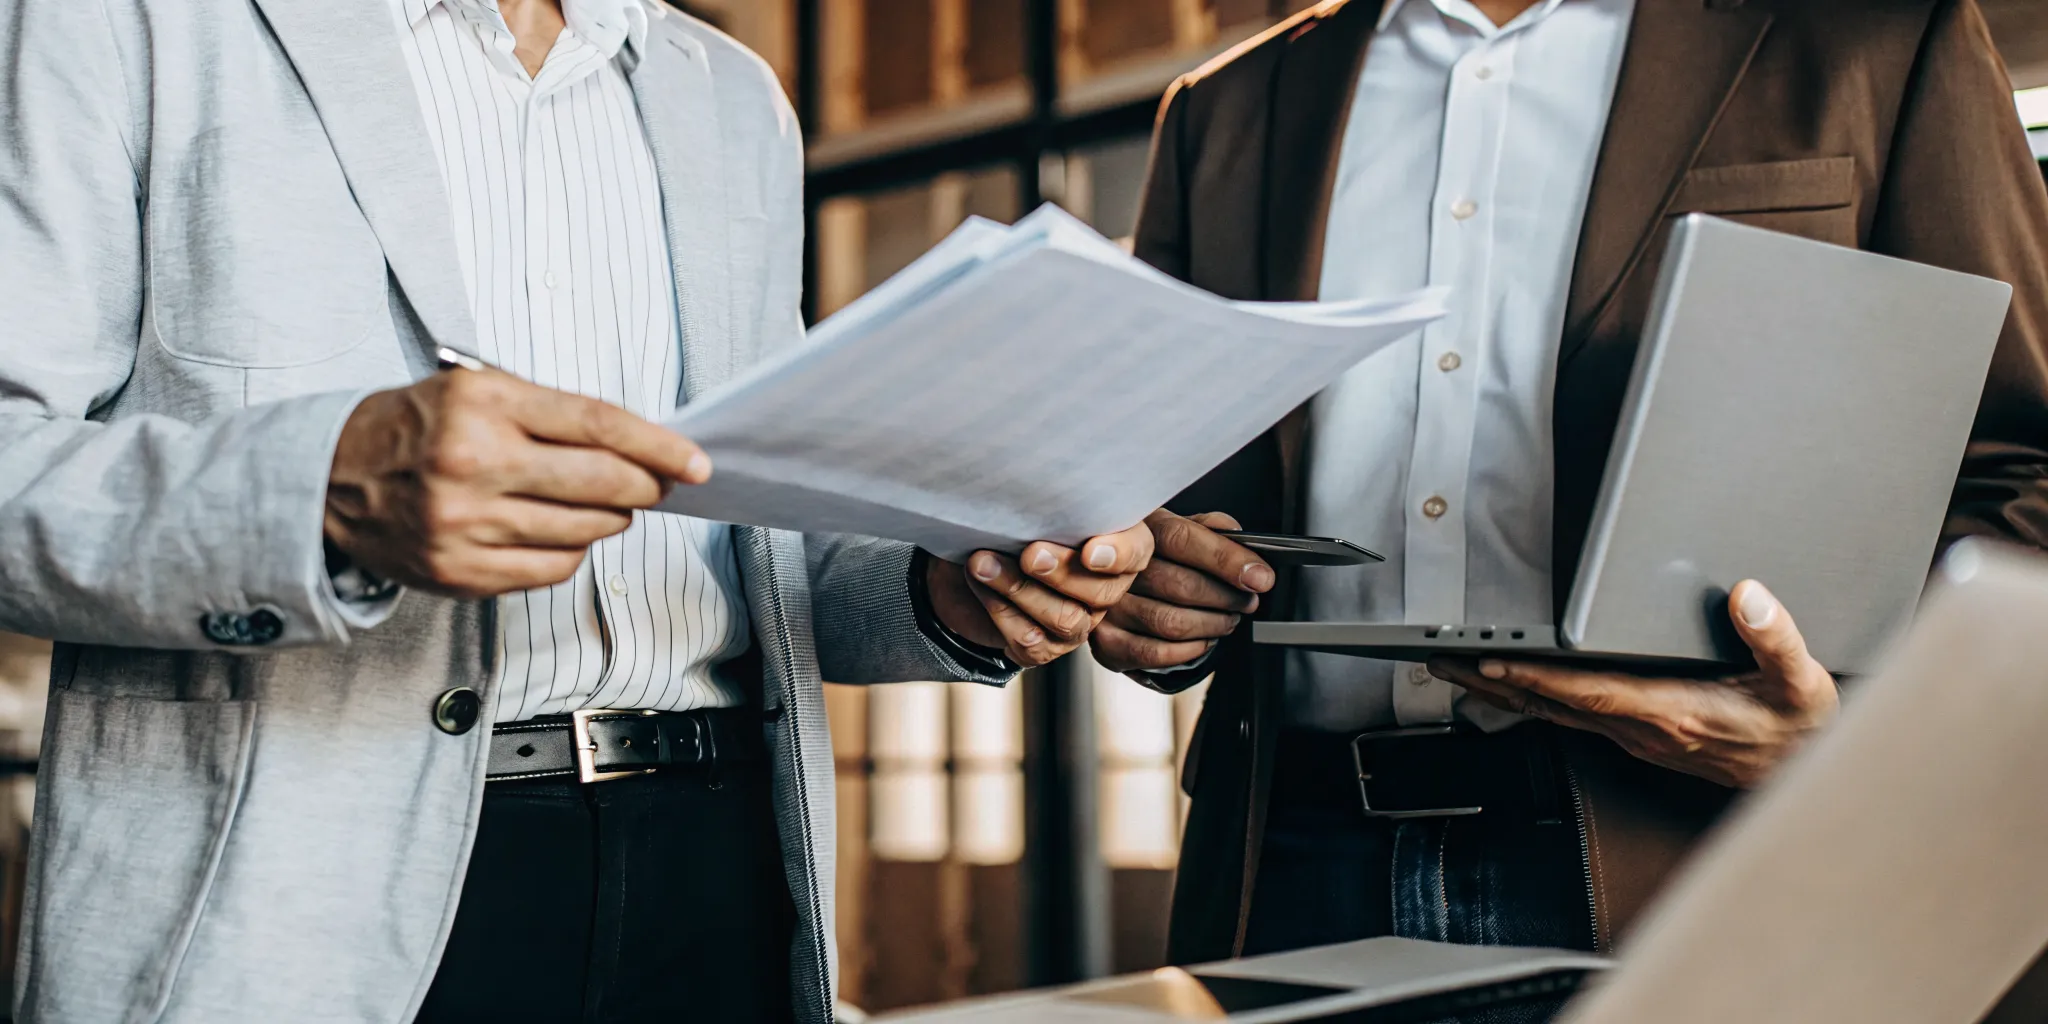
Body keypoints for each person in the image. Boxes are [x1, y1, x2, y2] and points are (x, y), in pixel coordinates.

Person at [0, 0, 1152, 1020]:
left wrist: (946, 592)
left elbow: (764, 551)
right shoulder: (119, 19)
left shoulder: (730, 91)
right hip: (287, 893)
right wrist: (319, 494)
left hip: (721, 860)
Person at [1091, 0, 2048, 1000]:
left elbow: (2023, 469)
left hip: (1691, 854)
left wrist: (1858, 729)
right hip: (1285, 867)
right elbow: (1159, 505)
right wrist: (1148, 587)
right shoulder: (1221, 107)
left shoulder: (1869, 35)